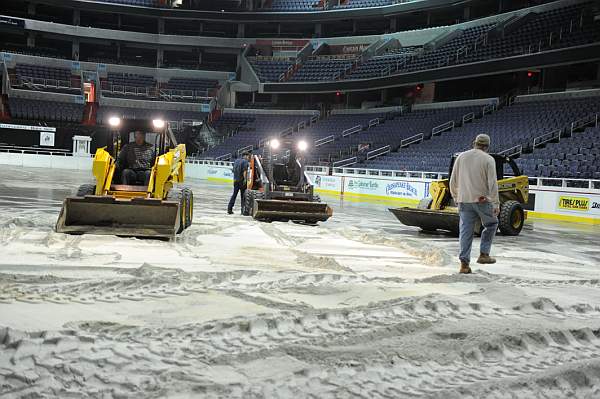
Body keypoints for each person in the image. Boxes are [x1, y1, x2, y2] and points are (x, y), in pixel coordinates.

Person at [449, 134, 499, 274]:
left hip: (464, 201)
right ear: (487, 146)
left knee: (466, 232)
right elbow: (493, 183)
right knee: (491, 224)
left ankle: (464, 265)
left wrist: (456, 197)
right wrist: (495, 203)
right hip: (482, 200)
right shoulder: (488, 159)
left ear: (474, 143)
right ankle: (484, 254)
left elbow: (453, 181)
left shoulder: (461, 157)